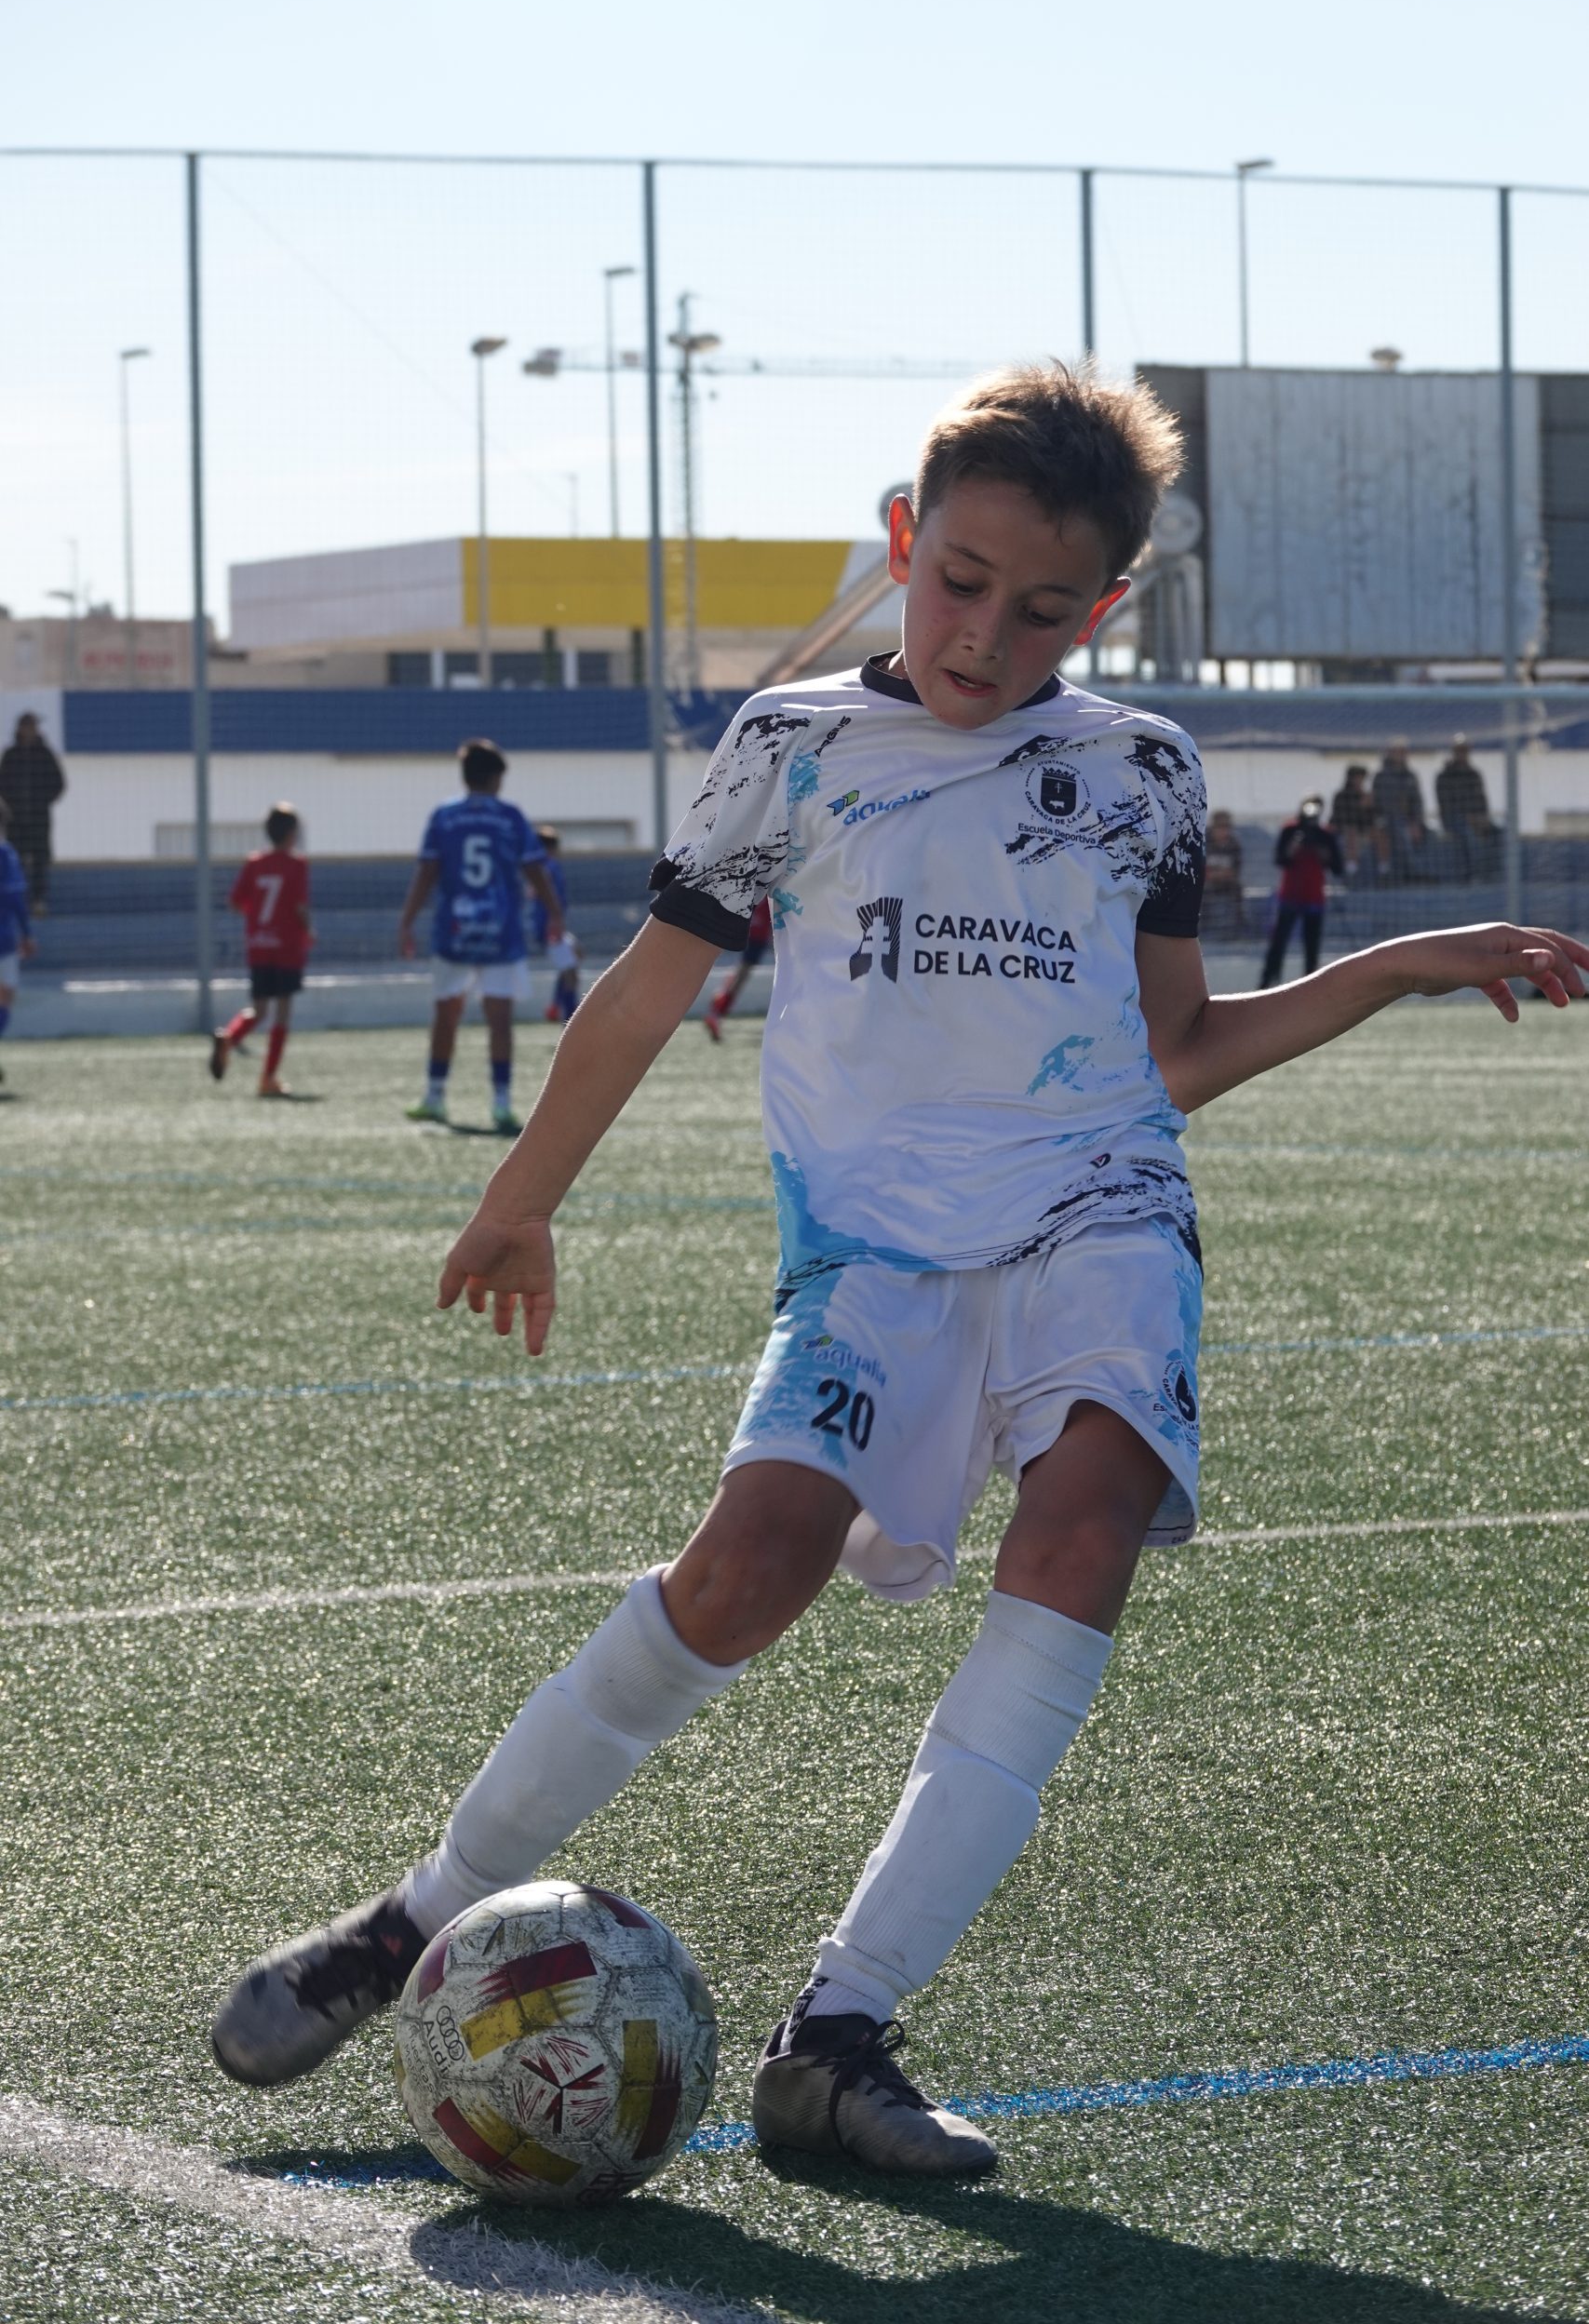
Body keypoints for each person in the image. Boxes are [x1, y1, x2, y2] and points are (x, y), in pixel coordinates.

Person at [212, 361, 1587, 2178]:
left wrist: (1392, 966)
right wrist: (522, 1197)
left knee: (1081, 1531)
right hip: (868, 1253)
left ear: (1106, 606)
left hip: (1099, 1212)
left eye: (1042, 608)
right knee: (745, 1570)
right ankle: (413, 1919)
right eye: (958, 581)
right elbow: (645, 992)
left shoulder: (1140, 772)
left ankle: (840, 2029)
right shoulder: (789, 748)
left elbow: (1174, 1051)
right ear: (898, 541)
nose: (984, 636)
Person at [398, 740, 566, 1134]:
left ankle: (435, 1096)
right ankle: (501, 1104)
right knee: (500, 1019)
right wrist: (555, 913)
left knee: (446, 1014)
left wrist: (407, 920)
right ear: (494, 778)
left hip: (454, 930)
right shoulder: (510, 817)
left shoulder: (444, 816)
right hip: (500, 930)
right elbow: (535, 870)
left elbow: (426, 872)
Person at [210, 804, 313, 1097]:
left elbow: (235, 902)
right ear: (292, 834)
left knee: (259, 1009)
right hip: (286, 946)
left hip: (258, 945)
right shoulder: (297, 865)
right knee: (282, 1012)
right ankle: (268, 1078)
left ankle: (229, 1037)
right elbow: (300, 907)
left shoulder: (255, 863)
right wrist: (309, 931)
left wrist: (257, 918)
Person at [1259, 796, 1343, 986]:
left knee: (1312, 946)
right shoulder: (1290, 830)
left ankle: (1310, 985)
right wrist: (1295, 845)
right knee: (1278, 943)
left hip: (1314, 898)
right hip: (1290, 895)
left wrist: (1322, 851)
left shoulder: (1325, 834)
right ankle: (1267, 983)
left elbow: (1337, 867)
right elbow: (1280, 859)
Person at [0, 712, 66, 914]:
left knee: (39, 860)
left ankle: (38, 900)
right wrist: (10, 806)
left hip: (39, 819)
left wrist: (42, 801)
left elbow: (58, 783)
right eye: (28, 726)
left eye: (34, 727)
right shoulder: (11, 755)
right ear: (21, 729)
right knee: (15, 861)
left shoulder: (44, 755)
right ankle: (17, 901)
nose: (31, 730)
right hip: (16, 819)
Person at [704, 893, 774, 1037]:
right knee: (742, 973)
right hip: (758, 931)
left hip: (753, 929)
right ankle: (718, 1008)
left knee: (742, 971)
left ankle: (718, 1007)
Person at [0, 798, 35, 1084]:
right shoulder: (4, 853)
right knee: (5, 995)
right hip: (2, 938)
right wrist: (27, 932)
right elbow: (14, 895)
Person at [532, 826, 582, 1024]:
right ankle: (570, 1018)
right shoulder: (547, 866)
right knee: (570, 972)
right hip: (549, 926)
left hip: (553, 924)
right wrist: (553, 921)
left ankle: (556, 1005)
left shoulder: (543, 866)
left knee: (576, 955)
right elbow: (540, 893)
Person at [1434, 741, 1495, 883]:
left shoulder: (1474, 774)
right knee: (1469, 836)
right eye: (1459, 751)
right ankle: (1474, 876)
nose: (1462, 754)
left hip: (1476, 819)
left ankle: (1497, 875)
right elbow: (1446, 804)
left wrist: (1482, 818)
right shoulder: (1444, 776)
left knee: (1499, 832)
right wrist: (1468, 817)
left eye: (1465, 751)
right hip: (1454, 820)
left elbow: (1482, 800)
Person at [1371, 744, 1425, 882]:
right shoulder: (1381, 776)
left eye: (1403, 752)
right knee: (1400, 833)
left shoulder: (1411, 775)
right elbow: (1379, 803)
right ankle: (1405, 874)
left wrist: (1416, 823)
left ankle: (1416, 872)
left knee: (1422, 834)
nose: (1401, 755)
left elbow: (1417, 802)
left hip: (1409, 820)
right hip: (1387, 820)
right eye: (1397, 752)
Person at [1201, 810, 1244, 940]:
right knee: (1202, 891)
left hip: (1226, 883)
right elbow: (1200, 870)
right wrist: (1216, 874)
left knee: (1237, 888)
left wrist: (1218, 874)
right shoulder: (1203, 842)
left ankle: (1238, 926)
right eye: (1220, 827)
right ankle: (1202, 926)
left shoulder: (1234, 844)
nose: (1223, 831)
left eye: (1226, 827)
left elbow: (1235, 870)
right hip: (1206, 883)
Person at [1328, 764, 1375, 881]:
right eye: (1357, 778)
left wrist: (1369, 807)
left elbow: (1372, 820)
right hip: (1344, 833)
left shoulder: (1366, 796)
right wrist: (1360, 807)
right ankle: (1351, 872)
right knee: (1352, 832)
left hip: (1364, 833)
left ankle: (1384, 870)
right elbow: (1342, 819)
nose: (1360, 781)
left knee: (1381, 833)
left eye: (1362, 778)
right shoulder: (1341, 796)